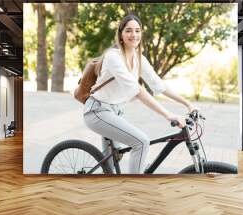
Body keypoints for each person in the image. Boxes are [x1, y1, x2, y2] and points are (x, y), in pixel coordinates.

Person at [83, 14, 195, 174]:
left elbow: (159, 85)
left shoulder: (138, 58)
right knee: (141, 142)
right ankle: (133, 191)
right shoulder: (113, 57)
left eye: (137, 30)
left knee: (110, 168)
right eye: (128, 30)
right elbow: (136, 89)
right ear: (121, 35)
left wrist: (188, 104)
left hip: (115, 113)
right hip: (97, 112)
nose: (133, 35)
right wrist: (168, 114)